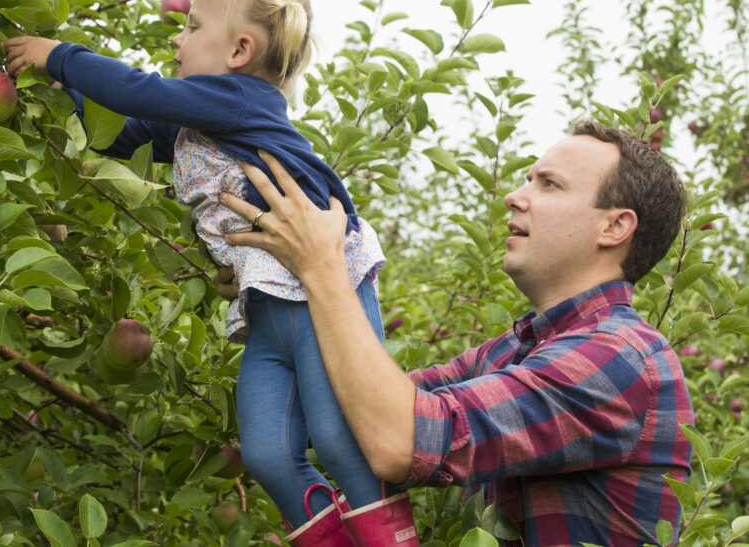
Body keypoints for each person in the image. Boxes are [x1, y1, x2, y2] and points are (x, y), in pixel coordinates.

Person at [1, 0, 410, 544]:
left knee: (343, 440)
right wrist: (50, 90)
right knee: (268, 455)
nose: (176, 38)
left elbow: (136, 91)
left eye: (191, 27)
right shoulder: (200, 124)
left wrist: (60, 55)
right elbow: (115, 131)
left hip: (321, 289)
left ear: (241, 50)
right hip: (266, 308)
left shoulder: (239, 99)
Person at [220, 120, 694, 547]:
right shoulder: (517, 350)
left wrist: (323, 267)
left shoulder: (620, 358)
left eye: (549, 184)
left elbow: (396, 439)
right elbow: (354, 409)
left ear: (614, 226)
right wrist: (278, 287)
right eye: (528, 178)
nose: (516, 195)